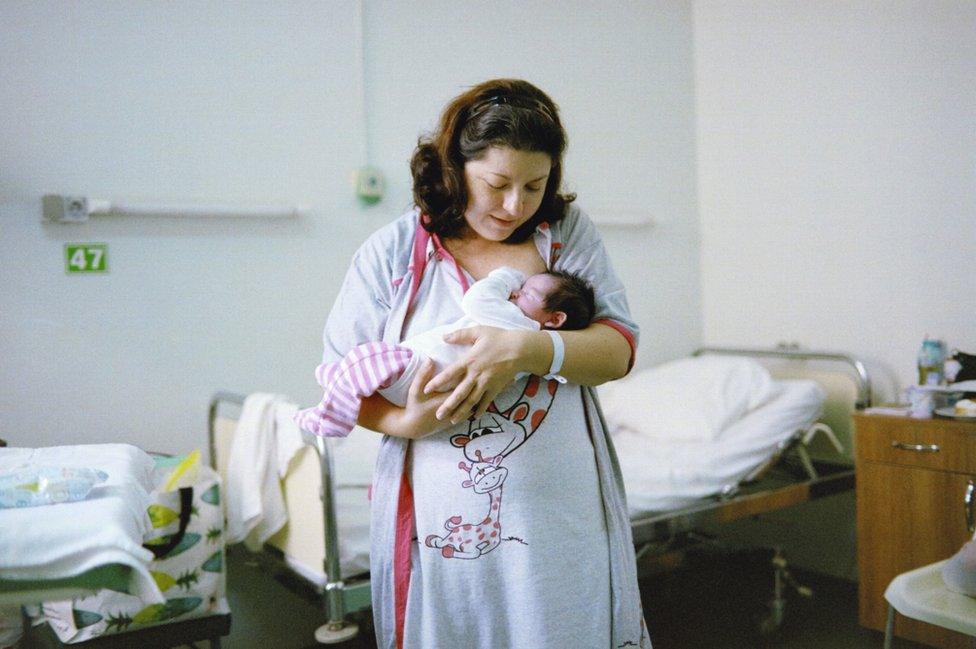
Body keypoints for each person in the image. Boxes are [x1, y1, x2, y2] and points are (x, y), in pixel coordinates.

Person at [319, 78, 651, 648]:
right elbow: (343, 379)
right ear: (455, 169)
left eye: (534, 185)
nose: (514, 205)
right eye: (496, 184)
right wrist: (410, 423)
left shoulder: (564, 238)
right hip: (438, 529)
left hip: (561, 523)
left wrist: (524, 350)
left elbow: (617, 350)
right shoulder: (392, 254)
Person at [295, 267, 595, 438]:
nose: (517, 292)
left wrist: (504, 277)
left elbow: (476, 300)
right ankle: (342, 382)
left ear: (555, 319)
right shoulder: (529, 353)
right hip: (425, 385)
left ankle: (332, 413)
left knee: (367, 357)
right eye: (520, 287)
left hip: (417, 370)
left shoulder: (517, 324)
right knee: (363, 363)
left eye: (528, 292)